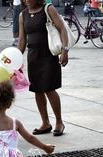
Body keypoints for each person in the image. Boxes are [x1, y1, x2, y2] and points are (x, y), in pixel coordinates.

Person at [18, 0, 68, 136]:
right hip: (33, 56)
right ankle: (45, 123)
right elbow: (22, 39)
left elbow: (62, 29)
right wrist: (16, 58)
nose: (26, 0)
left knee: (49, 88)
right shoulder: (23, 15)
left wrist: (65, 50)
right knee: (37, 90)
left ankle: (59, 122)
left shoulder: (48, 9)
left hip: (49, 55)